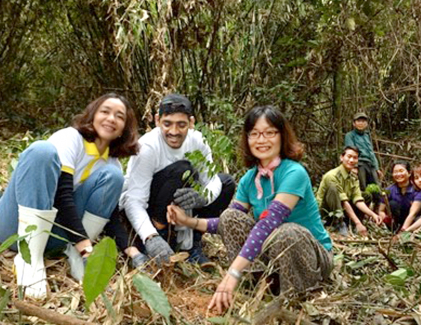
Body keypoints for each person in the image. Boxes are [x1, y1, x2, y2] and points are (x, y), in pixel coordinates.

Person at [166, 105, 333, 313]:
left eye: (270, 132)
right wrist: (187, 221)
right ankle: (258, 282)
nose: (261, 140)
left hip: (312, 257)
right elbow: (226, 223)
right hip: (274, 256)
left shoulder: (294, 172)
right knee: (230, 216)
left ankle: (295, 297)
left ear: (282, 136)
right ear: (247, 139)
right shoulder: (249, 179)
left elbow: (268, 223)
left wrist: (232, 273)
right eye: (254, 134)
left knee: (287, 232)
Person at [0, 93, 140, 299]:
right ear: (92, 115)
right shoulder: (70, 138)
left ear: (125, 127)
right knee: (42, 151)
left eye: (119, 116)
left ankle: (73, 253)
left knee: (115, 177)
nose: (111, 119)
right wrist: (86, 247)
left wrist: (132, 250)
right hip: (14, 227)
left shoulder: (111, 165)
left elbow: (110, 215)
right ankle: (30, 259)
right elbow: (63, 196)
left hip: (55, 239)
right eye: (105, 111)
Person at [120, 94, 235, 265]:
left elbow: (212, 181)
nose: (174, 132)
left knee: (226, 184)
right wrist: (150, 237)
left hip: (182, 207)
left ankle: (192, 245)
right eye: (167, 124)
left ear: (191, 122)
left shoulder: (197, 141)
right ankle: (160, 238)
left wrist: (202, 197)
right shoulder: (148, 147)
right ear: (158, 121)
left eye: (181, 125)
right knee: (183, 169)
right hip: (151, 208)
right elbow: (134, 201)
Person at [316, 146, 383, 237]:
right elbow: (344, 202)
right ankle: (339, 223)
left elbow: (358, 199)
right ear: (342, 157)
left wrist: (373, 214)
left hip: (343, 209)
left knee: (366, 195)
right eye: (349, 156)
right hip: (328, 212)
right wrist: (358, 222)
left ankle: (352, 224)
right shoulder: (331, 175)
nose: (351, 160)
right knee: (333, 188)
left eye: (355, 158)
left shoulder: (353, 177)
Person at [379, 161, 421, 232]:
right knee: (392, 204)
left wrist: (403, 231)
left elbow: (413, 213)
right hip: (396, 222)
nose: (398, 174)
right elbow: (381, 210)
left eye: (401, 171)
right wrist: (385, 218)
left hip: (413, 220)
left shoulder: (417, 189)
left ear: (409, 173)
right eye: (395, 172)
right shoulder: (388, 190)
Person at [344, 112, 382, 190]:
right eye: (359, 121)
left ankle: (377, 201)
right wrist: (354, 167)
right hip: (360, 163)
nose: (361, 123)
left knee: (377, 187)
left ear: (367, 124)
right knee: (362, 187)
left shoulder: (367, 136)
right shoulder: (350, 135)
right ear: (354, 123)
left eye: (363, 121)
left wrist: (377, 167)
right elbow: (350, 151)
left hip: (370, 164)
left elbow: (371, 152)